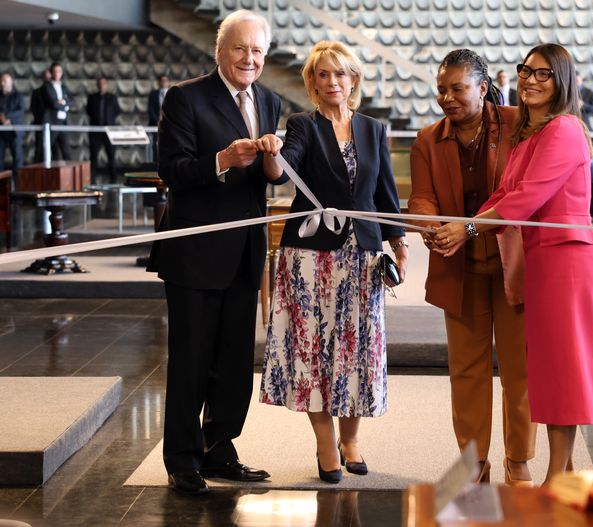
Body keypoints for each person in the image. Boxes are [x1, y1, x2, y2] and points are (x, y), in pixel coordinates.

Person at [436, 43, 593, 485]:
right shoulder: (533, 133)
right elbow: (504, 196)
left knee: (563, 370)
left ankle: (555, 477)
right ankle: (561, 473)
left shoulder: (565, 129)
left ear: (562, 81)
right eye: (525, 71)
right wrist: (461, 226)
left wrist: (469, 229)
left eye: (542, 74)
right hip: (542, 260)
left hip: (567, 258)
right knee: (548, 370)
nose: (530, 79)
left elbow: (525, 201)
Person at [147, 9, 286, 495]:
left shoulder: (268, 100)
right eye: (240, 48)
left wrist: (273, 161)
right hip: (195, 252)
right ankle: (182, 458)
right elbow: (173, 170)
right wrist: (222, 160)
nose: (249, 58)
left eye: (257, 51)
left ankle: (220, 448)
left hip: (245, 253)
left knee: (232, 363)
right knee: (191, 359)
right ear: (220, 51)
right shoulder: (185, 98)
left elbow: (273, 179)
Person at [257, 40, 407, 484]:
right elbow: (282, 173)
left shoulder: (373, 129)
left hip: (362, 254)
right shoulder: (303, 125)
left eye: (339, 73)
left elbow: (384, 193)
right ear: (312, 82)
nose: (332, 82)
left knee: (358, 350)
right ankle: (326, 446)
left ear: (353, 79)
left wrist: (396, 240)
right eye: (322, 75)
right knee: (314, 354)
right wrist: (271, 152)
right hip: (309, 257)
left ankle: (352, 440)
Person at [409, 49, 535, 486]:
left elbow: (522, 192)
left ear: (482, 88)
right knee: (466, 372)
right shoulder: (427, 139)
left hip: (512, 263)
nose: (447, 97)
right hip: (458, 268)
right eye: (442, 89)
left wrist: (465, 226)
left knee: (519, 369)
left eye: (457, 88)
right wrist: (427, 224)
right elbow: (422, 196)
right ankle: (473, 463)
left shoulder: (520, 123)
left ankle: (518, 459)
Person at [86, 77, 120, 182]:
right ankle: (92, 178)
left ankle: (113, 179)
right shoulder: (92, 97)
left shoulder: (112, 97)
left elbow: (117, 110)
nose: (101, 85)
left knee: (111, 156)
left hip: (109, 132)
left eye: (103, 83)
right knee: (94, 156)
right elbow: (88, 111)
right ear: (97, 85)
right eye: (99, 83)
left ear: (106, 84)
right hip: (95, 131)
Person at [41, 62, 74, 160]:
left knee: (66, 150)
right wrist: (65, 105)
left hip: (63, 123)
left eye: (59, 71)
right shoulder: (46, 87)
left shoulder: (63, 87)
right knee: (47, 149)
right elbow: (53, 104)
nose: (57, 74)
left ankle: (69, 175)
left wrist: (64, 103)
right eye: (55, 71)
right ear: (51, 73)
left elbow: (73, 102)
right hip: (52, 123)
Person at [0, 72, 25, 180]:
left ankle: (18, 185)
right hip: (1, 133)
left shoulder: (18, 96)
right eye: (1, 81)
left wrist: (7, 118)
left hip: (14, 132)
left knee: (18, 159)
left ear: (11, 82)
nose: (2, 83)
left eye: (4, 81)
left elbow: (20, 111)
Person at [148, 75, 170, 162]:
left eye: (165, 81)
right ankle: (155, 165)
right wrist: (157, 121)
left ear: (169, 83)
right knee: (155, 146)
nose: (164, 82)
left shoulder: (173, 93)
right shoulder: (153, 94)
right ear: (159, 82)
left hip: (170, 125)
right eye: (162, 81)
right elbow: (150, 109)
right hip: (155, 125)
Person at [30, 68, 50, 162]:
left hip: (54, 125)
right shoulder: (37, 92)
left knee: (55, 150)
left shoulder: (58, 91)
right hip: (40, 124)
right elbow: (33, 108)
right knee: (39, 149)